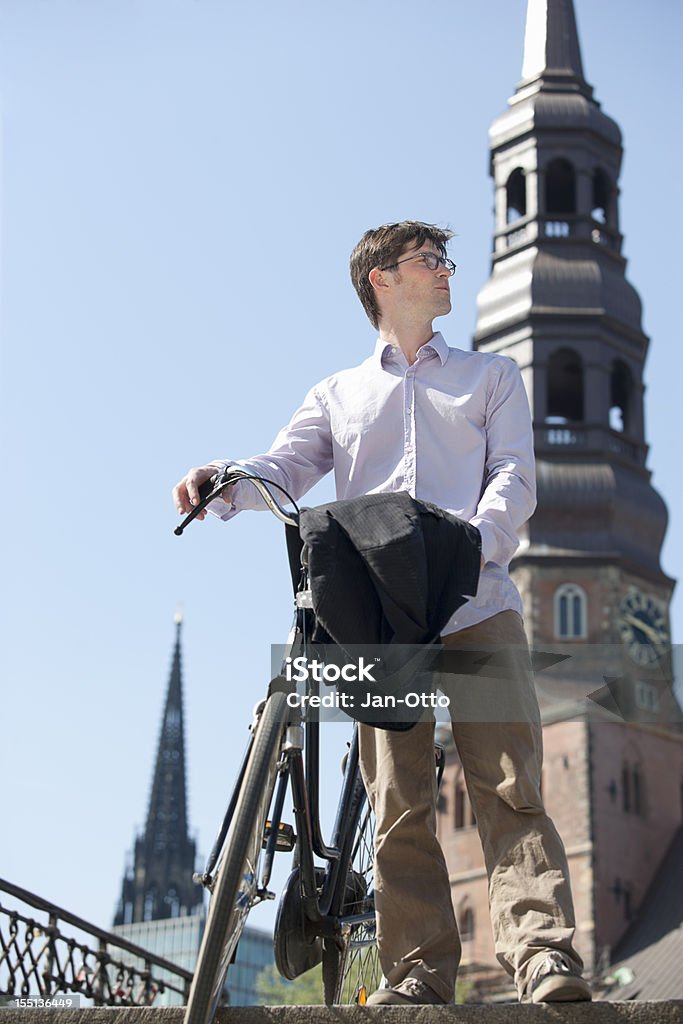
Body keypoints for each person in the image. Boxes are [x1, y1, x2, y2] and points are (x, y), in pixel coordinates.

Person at [172, 220, 592, 1006]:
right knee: (398, 800)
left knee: (507, 784)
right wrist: (223, 478)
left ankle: (540, 956)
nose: (445, 273)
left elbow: (513, 477)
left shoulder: (490, 376)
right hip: (379, 610)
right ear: (381, 280)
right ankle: (418, 972)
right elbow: (286, 465)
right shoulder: (337, 394)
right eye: (428, 262)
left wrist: (473, 546)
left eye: (443, 260)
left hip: (474, 598)